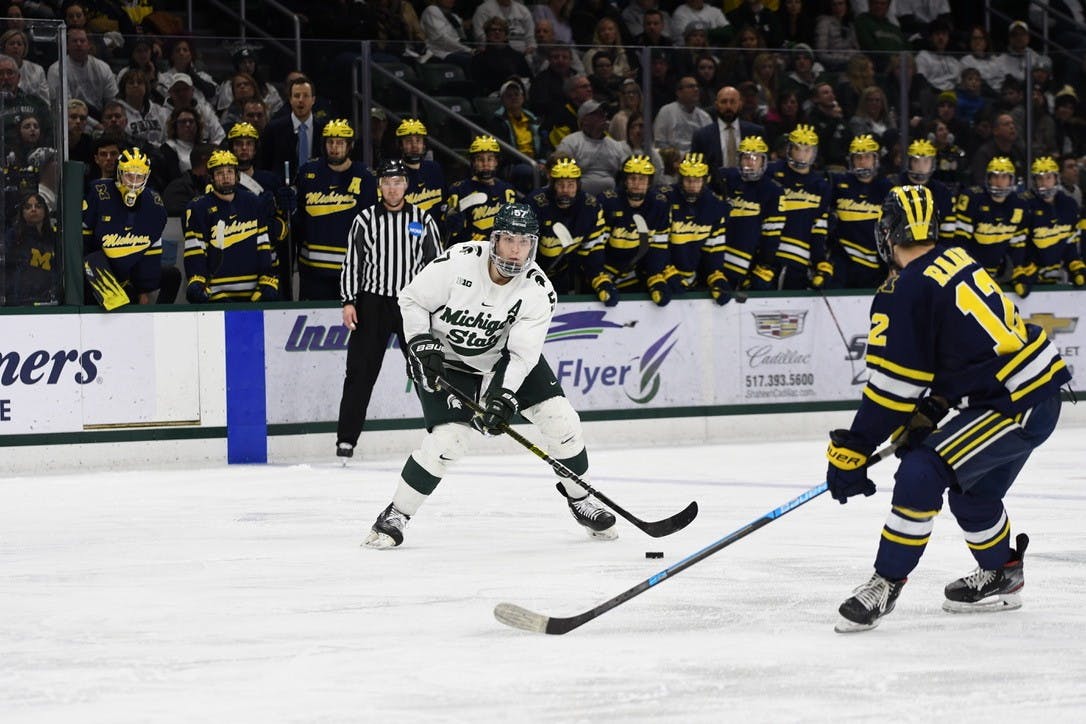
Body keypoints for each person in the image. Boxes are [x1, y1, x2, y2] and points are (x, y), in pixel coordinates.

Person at [827, 183, 1071, 632]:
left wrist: (856, 446)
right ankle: (1002, 572)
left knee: (923, 470)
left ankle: (885, 582)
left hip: (1014, 403)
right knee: (971, 491)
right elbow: (965, 352)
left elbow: (894, 386)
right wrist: (934, 408)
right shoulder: (955, 257)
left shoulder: (903, 289)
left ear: (887, 232)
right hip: (1035, 394)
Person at [362, 202, 617, 548]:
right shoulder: (458, 262)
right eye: (509, 239)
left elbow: (523, 354)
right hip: (448, 360)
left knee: (563, 422)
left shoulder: (538, 290)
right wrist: (421, 344)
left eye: (525, 242)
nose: (516, 250)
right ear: (494, 239)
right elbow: (411, 300)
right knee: (450, 441)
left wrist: (503, 396)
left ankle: (581, 499)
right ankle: (395, 516)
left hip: (502, 360)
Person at [336, 158, 443, 460]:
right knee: (360, 372)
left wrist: (434, 307)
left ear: (406, 185)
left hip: (412, 304)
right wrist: (348, 301)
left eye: (398, 182)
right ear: (380, 186)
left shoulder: (423, 219)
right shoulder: (365, 219)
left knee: (427, 370)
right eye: (387, 182)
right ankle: (346, 440)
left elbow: (436, 266)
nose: (393, 188)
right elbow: (352, 263)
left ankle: (441, 434)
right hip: (373, 303)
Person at [294, 119, 379, 300]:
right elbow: (298, 217)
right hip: (313, 272)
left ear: (350, 146)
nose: (334, 147)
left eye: (340, 143)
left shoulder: (365, 177)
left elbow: (374, 224)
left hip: (352, 270)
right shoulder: (308, 172)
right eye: (330, 142)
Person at [183, 150, 277, 304]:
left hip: (254, 295)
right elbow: (195, 251)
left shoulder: (253, 202)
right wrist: (197, 282)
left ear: (237, 175)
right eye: (219, 173)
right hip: (216, 295)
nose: (226, 177)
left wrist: (268, 281)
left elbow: (264, 246)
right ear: (211, 178)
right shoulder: (198, 207)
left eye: (230, 172)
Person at [82, 148, 168, 309]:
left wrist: (143, 290)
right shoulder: (98, 192)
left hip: (129, 275)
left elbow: (150, 253)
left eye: (139, 176)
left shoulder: (155, 204)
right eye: (129, 175)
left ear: (146, 176)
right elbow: (83, 245)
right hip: (96, 271)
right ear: (120, 173)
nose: (133, 182)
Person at [595, 154, 673, 306]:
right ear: (625, 180)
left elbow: (659, 246)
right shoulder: (608, 202)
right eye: (632, 178)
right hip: (605, 272)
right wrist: (598, 277)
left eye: (642, 179)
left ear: (649, 182)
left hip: (636, 274)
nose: (637, 184)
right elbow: (596, 247)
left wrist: (654, 276)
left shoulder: (660, 204)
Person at [525, 155, 606, 295]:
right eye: (560, 185)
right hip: (529, 276)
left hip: (563, 275)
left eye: (570, 185)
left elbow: (593, 249)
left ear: (578, 186)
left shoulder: (590, 207)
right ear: (552, 185)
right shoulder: (534, 204)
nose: (565, 190)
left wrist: (600, 280)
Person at [822, 134, 893, 289]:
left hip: (876, 263)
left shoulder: (887, 188)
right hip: (842, 260)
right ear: (851, 160)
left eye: (867, 157)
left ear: (876, 159)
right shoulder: (838, 184)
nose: (862, 162)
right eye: (858, 157)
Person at [766, 124, 831, 289]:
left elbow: (818, 230)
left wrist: (820, 262)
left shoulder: (820, 185)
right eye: (797, 149)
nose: (802, 155)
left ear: (814, 152)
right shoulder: (771, 172)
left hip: (799, 259)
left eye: (807, 150)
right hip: (766, 256)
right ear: (789, 149)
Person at [719, 136, 785, 290]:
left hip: (751, 258)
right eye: (746, 158)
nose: (751, 162)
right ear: (739, 160)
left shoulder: (773, 189)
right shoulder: (725, 179)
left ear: (764, 161)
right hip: (718, 255)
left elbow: (772, 234)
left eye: (756, 158)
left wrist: (764, 264)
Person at [664, 152, 731, 302]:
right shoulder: (665, 200)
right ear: (680, 179)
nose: (692, 185)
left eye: (697, 181)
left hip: (692, 280)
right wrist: (667, 272)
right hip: (662, 277)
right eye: (688, 180)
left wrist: (716, 277)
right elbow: (656, 246)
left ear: (705, 180)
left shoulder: (715, 206)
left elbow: (714, 249)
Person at [954, 156, 1030, 281]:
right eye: (995, 176)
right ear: (988, 179)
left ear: (1011, 180)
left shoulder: (1019, 205)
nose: (999, 182)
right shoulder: (973, 198)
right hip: (970, 272)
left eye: (1004, 177)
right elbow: (961, 242)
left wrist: (1017, 271)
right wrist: (964, 271)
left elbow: (1017, 245)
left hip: (998, 274)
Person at [1021, 156, 1086, 292]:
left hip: (1059, 274)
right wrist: (1028, 267)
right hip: (1030, 274)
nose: (1044, 183)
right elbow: (1019, 244)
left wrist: (1074, 265)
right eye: (1040, 178)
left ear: (1056, 178)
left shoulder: (1069, 204)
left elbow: (1071, 242)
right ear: (1034, 181)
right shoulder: (1024, 205)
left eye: (1048, 178)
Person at [444, 135, 519, 248]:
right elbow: (451, 229)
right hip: (469, 252)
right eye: (480, 159)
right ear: (473, 162)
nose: (485, 164)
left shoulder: (508, 190)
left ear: (496, 162)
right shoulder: (459, 189)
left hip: (499, 252)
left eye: (490, 159)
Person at [555, 99, 627, 195]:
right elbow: (560, 171)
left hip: (610, 198)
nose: (603, 116)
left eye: (603, 113)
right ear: (584, 120)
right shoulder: (570, 142)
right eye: (596, 113)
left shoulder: (615, 145)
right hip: (576, 197)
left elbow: (627, 169)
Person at [4, 192, 59, 305]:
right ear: (22, 212)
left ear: (45, 211)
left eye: (38, 206)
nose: (33, 210)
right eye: (28, 207)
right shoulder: (14, 236)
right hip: (19, 300)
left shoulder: (54, 237)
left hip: (49, 300)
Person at [898, 138, 956, 242]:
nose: (921, 167)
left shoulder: (943, 192)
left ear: (933, 163)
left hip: (932, 250)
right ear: (909, 162)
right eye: (916, 161)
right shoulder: (895, 186)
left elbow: (947, 234)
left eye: (926, 161)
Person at [394, 117, 446, 217]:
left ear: (424, 144)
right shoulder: (393, 174)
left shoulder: (435, 169)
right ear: (400, 145)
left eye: (418, 141)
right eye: (409, 141)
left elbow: (444, 202)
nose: (414, 146)